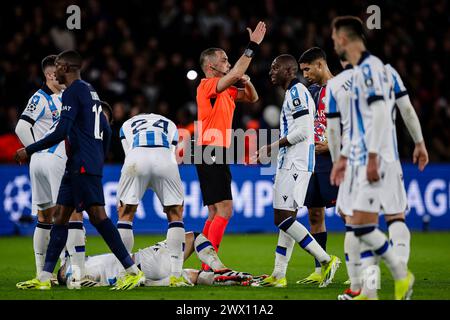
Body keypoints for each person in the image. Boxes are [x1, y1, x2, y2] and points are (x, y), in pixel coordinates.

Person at [14, 50, 144, 291]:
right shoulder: (90, 90)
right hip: (78, 164)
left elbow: (61, 130)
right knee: (60, 217)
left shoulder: (73, 92)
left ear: (67, 68)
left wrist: (29, 149)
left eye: (59, 67)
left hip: (82, 165)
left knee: (98, 218)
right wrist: (99, 156)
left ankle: (132, 271)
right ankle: (43, 277)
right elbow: (105, 127)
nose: (55, 72)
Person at [326, 58, 429, 300]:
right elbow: (406, 110)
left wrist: (336, 163)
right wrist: (420, 142)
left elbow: (333, 130)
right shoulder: (388, 72)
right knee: (396, 218)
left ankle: (363, 286)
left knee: (357, 224)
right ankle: (391, 282)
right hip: (390, 157)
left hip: (355, 160)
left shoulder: (337, 83)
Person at [251, 54, 340, 288]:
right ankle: (279, 274)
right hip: (294, 162)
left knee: (281, 218)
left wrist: (272, 146)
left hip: (296, 163)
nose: (271, 72)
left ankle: (326, 259)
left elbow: (302, 130)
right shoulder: (295, 93)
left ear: (289, 71)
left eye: (275, 68)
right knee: (286, 218)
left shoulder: (298, 92)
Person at [195, 21, 266, 270]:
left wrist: (245, 81)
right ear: (211, 66)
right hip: (209, 149)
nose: (228, 62)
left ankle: (204, 265)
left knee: (215, 212)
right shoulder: (207, 86)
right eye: (224, 60)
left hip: (210, 150)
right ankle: (210, 267)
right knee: (226, 209)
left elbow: (253, 98)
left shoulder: (225, 90)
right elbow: (234, 73)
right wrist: (253, 46)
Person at [116, 112, 189, 287]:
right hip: (165, 158)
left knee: (125, 214)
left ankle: (123, 274)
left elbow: (129, 153)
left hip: (136, 157)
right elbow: (172, 151)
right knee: (175, 213)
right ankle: (177, 275)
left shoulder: (126, 124)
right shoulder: (170, 123)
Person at [56, 232, 252, 287]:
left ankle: (220, 279)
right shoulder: (77, 267)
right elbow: (66, 268)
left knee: (192, 276)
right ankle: (221, 269)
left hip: (148, 282)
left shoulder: (87, 274)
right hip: (145, 261)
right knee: (194, 237)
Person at [295, 47, 340, 285]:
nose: (305, 74)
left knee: (349, 213)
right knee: (314, 213)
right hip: (312, 159)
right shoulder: (310, 91)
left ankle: (360, 271)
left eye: (308, 69)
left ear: (320, 64)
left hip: (336, 159)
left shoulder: (342, 89)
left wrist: (334, 145)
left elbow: (355, 123)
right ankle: (320, 268)